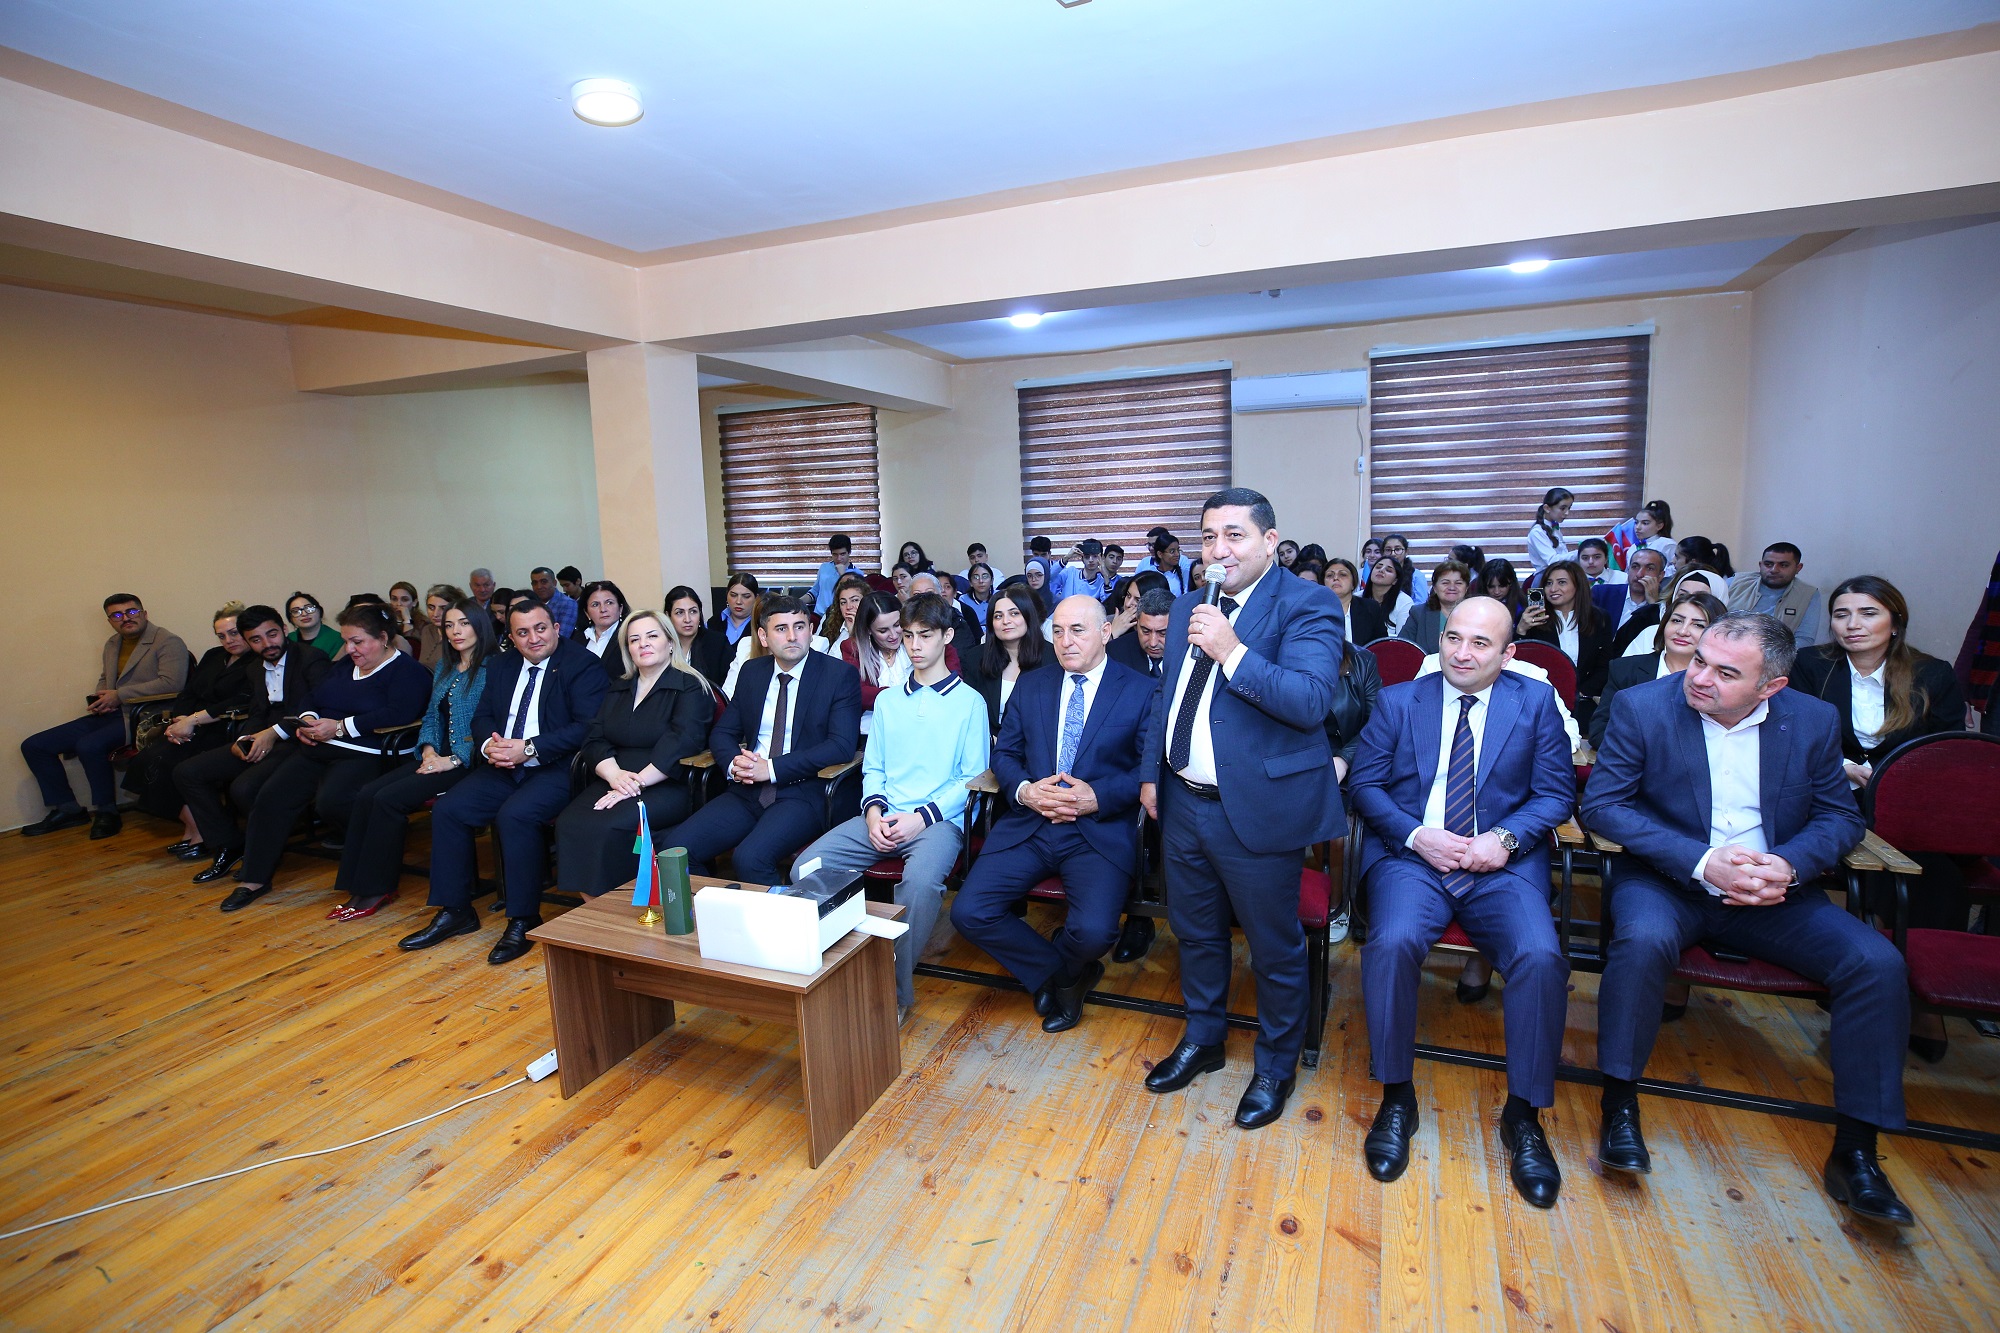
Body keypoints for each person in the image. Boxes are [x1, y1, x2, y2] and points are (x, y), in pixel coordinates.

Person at [1583, 613, 1913, 1225]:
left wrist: (1786, 866)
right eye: (1699, 660)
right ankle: (1619, 1106)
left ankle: (1857, 1151)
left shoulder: (1811, 720)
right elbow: (1603, 805)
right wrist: (1703, 862)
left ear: (1771, 687)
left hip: (1772, 893)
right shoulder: (1644, 707)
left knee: (1876, 963)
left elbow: (1841, 817)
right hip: (1669, 881)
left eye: (1725, 672)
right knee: (1642, 941)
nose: (1700, 677)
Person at [1349, 597, 1576, 1206]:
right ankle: (1397, 1097)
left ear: (1508, 653)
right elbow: (1365, 784)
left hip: (1501, 864)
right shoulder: (1400, 700)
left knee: (1540, 957)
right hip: (1414, 859)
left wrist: (1505, 839)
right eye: (1454, 638)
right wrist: (1416, 834)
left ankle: (1524, 1115)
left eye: (1481, 643)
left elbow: (1556, 795)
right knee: (1391, 943)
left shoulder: (1535, 704)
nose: (1463, 653)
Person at [1136, 488, 1343, 1130]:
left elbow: (1310, 702)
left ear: (1269, 542)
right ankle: (1204, 1038)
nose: (1218, 550)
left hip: (1256, 808)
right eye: (1208, 537)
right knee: (1195, 933)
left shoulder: (1307, 604)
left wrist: (1232, 650)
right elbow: (1167, 696)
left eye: (1234, 536)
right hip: (1181, 800)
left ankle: (1276, 1066)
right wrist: (1151, 776)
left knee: (1273, 948)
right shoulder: (1189, 605)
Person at [952, 594, 1153, 1031]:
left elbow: (1148, 768)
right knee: (969, 912)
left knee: (1094, 933)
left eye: (1077, 630)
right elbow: (1005, 754)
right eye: (1057, 632)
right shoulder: (1033, 684)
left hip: (1096, 829)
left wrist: (1096, 797)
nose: (1066, 641)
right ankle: (1063, 975)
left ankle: (1064, 970)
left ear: (1105, 632)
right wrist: (1025, 791)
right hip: (1032, 823)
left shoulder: (1140, 690)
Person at [791, 594, 988, 1022]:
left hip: (938, 822)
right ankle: (845, 965)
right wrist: (873, 813)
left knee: (918, 885)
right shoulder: (888, 701)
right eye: (908, 635)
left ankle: (893, 992)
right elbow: (874, 767)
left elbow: (971, 779)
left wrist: (921, 818)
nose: (914, 645)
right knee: (807, 867)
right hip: (884, 814)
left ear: (947, 637)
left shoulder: (970, 702)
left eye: (925, 635)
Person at [400, 598, 611, 964]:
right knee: (449, 809)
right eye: (522, 632)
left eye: (540, 628)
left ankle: (523, 918)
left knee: (515, 815)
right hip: (502, 763)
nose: (534, 638)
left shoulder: (583, 664)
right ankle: (455, 910)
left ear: (556, 628)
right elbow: (482, 717)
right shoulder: (501, 665)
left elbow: (586, 727)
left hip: (556, 766)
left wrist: (527, 749)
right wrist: (489, 746)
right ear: (511, 637)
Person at [213, 603, 431, 913]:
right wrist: (307, 720)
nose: (349, 649)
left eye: (357, 641)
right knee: (271, 795)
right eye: (346, 641)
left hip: (368, 752)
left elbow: (399, 713)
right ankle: (254, 879)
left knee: (333, 801)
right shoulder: (345, 666)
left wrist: (339, 727)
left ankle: (377, 853)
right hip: (320, 746)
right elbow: (312, 697)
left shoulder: (407, 671)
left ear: (383, 638)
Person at [1792, 576, 1969, 939]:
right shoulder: (1810, 664)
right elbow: (1793, 733)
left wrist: (1894, 778)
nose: (1852, 624)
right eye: (1841, 614)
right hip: (1828, 794)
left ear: (1895, 623)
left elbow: (1947, 752)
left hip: (1906, 802)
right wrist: (1842, 768)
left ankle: (1919, 952)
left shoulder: (1931, 673)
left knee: (1935, 871)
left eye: (1868, 613)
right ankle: (1865, 941)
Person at [653, 594, 864, 888]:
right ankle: (715, 911)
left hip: (804, 790)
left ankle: (783, 917)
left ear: (810, 630)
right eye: (781, 629)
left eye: (799, 627)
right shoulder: (753, 672)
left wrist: (772, 769)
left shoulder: (838, 675)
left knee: (750, 858)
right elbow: (723, 733)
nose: (792, 636)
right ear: (763, 637)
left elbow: (840, 746)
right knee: (677, 849)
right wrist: (735, 764)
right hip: (748, 788)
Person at [327, 598, 493, 920]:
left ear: (480, 626)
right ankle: (356, 885)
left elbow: (492, 724)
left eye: (464, 624)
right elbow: (431, 716)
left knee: (389, 799)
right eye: (449, 625)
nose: (456, 632)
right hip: (437, 754)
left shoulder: (493, 669)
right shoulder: (445, 666)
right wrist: (428, 748)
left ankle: (376, 888)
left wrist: (453, 759)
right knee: (367, 793)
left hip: (471, 759)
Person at [553, 611, 714, 898]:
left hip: (666, 782)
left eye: (652, 636)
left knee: (610, 827)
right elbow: (594, 738)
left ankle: (625, 909)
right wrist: (615, 776)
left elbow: (682, 742)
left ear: (670, 642)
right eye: (634, 639)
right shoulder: (619, 687)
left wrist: (633, 784)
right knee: (570, 822)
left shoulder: (690, 686)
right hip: (615, 778)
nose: (643, 644)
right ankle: (596, 910)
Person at [174, 606, 333, 882]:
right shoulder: (254, 668)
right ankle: (229, 844)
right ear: (248, 642)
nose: (267, 644)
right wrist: (243, 739)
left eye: (272, 634)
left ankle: (262, 851)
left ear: (284, 630)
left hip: (299, 739)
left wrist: (272, 734)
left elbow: (317, 707)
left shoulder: (311, 658)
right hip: (263, 735)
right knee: (187, 772)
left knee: (244, 787)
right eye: (256, 639)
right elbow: (257, 711)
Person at [21, 594, 190, 841]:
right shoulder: (112, 643)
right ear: (110, 621)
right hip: (112, 714)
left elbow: (172, 683)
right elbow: (106, 679)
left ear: (144, 614)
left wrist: (119, 695)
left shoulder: (167, 641)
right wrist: (101, 699)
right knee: (35, 745)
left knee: (89, 745)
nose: (126, 618)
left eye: (132, 612)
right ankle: (68, 809)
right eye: (117, 615)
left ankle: (106, 811)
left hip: (144, 717)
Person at [122, 601, 254, 848]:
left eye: (234, 633)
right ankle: (194, 827)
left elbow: (240, 701)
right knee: (145, 761)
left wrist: (192, 720)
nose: (228, 641)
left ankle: (202, 831)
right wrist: (179, 719)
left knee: (168, 764)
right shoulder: (214, 656)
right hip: (189, 725)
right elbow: (189, 692)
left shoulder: (256, 661)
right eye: (222, 636)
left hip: (223, 727)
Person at [1589, 590, 1726, 749]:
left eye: (1698, 625)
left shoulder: (1721, 680)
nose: (1682, 631)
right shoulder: (1625, 669)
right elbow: (1600, 731)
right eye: (1676, 621)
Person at [1519, 559, 1614, 714]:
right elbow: (1518, 663)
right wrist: (1521, 630)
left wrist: (1581, 693)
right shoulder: (1531, 619)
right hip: (1541, 700)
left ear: (1577, 585)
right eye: (1548, 583)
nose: (1553, 589)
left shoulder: (1599, 618)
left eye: (1561, 582)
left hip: (1584, 700)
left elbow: (1605, 664)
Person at [962, 586, 1050, 733]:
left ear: (1028, 616)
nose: (1006, 621)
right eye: (998, 616)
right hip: (987, 740)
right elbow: (969, 710)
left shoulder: (1052, 658)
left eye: (1014, 613)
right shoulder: (975, 658)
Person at [1727, 542, 1822, 648]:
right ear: (1760, 565)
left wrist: (1769, 655)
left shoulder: (1808, 594)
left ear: (1798, 568)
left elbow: (1805, 639)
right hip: (1727, 648)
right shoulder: (1734, 583)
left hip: (1777, 654)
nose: (1774, 570)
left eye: (1784, 565)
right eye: (1768, 564)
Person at [842, 590, 912, 719]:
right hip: (873, 722)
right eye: (883, 630)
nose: (893, 635)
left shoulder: (919, 640)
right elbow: (857, 692)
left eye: (897, 625)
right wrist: (906, 694)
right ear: (868, 630)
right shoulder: (853, 648)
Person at [1324, 635, 1382, 783]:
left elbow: (1377, 723)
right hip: (1294, 759)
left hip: (1345, 758)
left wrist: (1344, 760)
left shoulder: (1362, 661)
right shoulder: (1278, 660)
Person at [1596, 548, 1668, 653]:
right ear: (1628, 569)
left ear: (1660, 576)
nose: (1639, 574)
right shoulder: (1602, 594)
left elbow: (1661, 642)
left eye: (1649, 568)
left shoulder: (1666, 605)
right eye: (1635, 567)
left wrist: (1653, 604)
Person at [666, 585, 734, 689]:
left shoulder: (717, 643)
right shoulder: (660, 645)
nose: (687, 619)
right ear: (668, 616)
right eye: (679, 613)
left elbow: (729, 686)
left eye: (693, 611)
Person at [1397, 560, 1471, 655]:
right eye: (1445, 583)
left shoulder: (1478, 614)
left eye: (1458, 583)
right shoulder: (1418, 614)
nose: (1452, 587)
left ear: (1466, 588)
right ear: (1435, 588)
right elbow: (1401, 648)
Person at [1109, 587, 1172, 683]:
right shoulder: (1116, 653)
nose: (1153, 643)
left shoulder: (1190, 655)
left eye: (1163, 633)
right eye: (1146, 631)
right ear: (1136, 624)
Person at [1321, 558, 1387, 645]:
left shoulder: (1370, 608)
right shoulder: (1314, 611)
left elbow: (1382, 645)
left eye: (1342, 575)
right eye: (1330, 575)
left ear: (1353, 583)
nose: (1335, 578)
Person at [811, 573, 871, 657]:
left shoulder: (874, 630)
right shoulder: (835, 626)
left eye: (854, 600)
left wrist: (853, 633)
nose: (848, 607)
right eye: (843, 602)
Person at [575, 580, 630, 664]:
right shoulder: (578, 638)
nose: (603, 609)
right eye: (595, 605)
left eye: (609, 603)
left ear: (620, 608)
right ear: (586, 613)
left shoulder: (629, 636)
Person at [1362, 554, 1415, 637]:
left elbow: (1402, 638)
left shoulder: (1404, 602)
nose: (1381, 570)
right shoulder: (1357, 597)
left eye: (1388, 570)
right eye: (1378, 567)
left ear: (1395, 580)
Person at [1526, 487, 1574, 573]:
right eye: (1563, 508)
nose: (1567, 513)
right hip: (1545, 575)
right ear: (1547, 508)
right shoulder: (1537, 532)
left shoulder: (1554, 527)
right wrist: (1578, 554)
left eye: (1569, 508)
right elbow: (1552, 561)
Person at [417, 584, 466, 669]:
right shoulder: (427, 630)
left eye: (443, 608)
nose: (435, 614)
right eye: (431, 608)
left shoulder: (461, 634)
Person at [282, 592, 342, 658]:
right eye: (296, 611)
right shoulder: (287, 639)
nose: (304, 614)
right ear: (291, 618)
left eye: (309, 608)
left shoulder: (338, 639)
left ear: (320, 611)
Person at [809, 533, 856, 614]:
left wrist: (842, 575)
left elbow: (852, 596)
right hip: (818, 614)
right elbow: (815, 592)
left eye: (842, 554)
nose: (839, 558)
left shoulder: (856, 573)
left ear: (849, 552)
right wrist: (797, 601)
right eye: (835, 554)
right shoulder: (824, 567)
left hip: (839, 616)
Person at [1626, 500, 1677, 574]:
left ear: (1659, 526)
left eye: (1645, 523)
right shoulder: (1633, 548)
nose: (1637, 527)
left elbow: (1676, 569)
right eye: (1636, 522)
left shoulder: (1666, 544)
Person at [710, 573, 760, 647]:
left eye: (746, 596)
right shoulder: (713, 623)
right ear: (727, 595)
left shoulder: (762, 624)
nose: (738, 601)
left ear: (756, 598)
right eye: (733, 595)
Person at [529, 566, 578, 637]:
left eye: (544, 582)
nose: (539, 586)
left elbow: (562, 637)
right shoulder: (531, 603)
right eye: (535, 583)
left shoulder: (567, 603)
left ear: (554, 583)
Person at [1382, 534, 1430, 603]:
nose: (1393, 554)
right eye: (1388, 550)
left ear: (1406, 552)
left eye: (1397, 549)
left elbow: (1421, 603)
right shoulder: (1380, 573)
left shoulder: (1416, 575)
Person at [1480, 558, 1526, 622]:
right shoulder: (1477, 607)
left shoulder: (1521, 608)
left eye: (1502, 586)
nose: (1496, 591)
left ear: (1511, 583)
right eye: (1491, 587)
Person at [958, 562, 995, 634]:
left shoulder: (999, 596)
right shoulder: (963, 600)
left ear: (992, 581)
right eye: (976, 577)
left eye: (985, 576)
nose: (981, 581)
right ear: (970, 582)